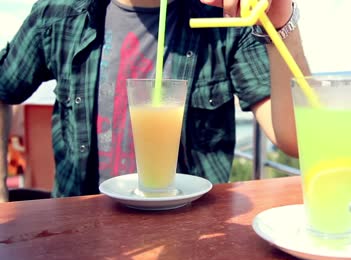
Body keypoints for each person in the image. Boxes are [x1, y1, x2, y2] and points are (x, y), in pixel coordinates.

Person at [0, 0, 310, 202]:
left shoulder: (224, 21)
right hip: (77, 238)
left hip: (196, 237)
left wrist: (281, 18)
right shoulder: (58, 16)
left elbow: (298, 139)